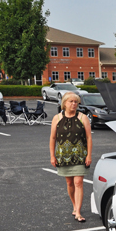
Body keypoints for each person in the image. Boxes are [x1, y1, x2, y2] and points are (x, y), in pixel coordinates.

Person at [49, 93, 93, 223]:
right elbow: (53, 138)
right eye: (71, 101)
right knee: (69, 183)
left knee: (78, 182)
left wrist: (89, 155)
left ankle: (78, 212)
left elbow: (89, 138)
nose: (74, 104)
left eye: (76, 102)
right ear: (64, 103)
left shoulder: (83, 117)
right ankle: (74, 205)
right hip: (63, 156)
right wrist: (52, 156)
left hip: (80, 155)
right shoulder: (57, 118)